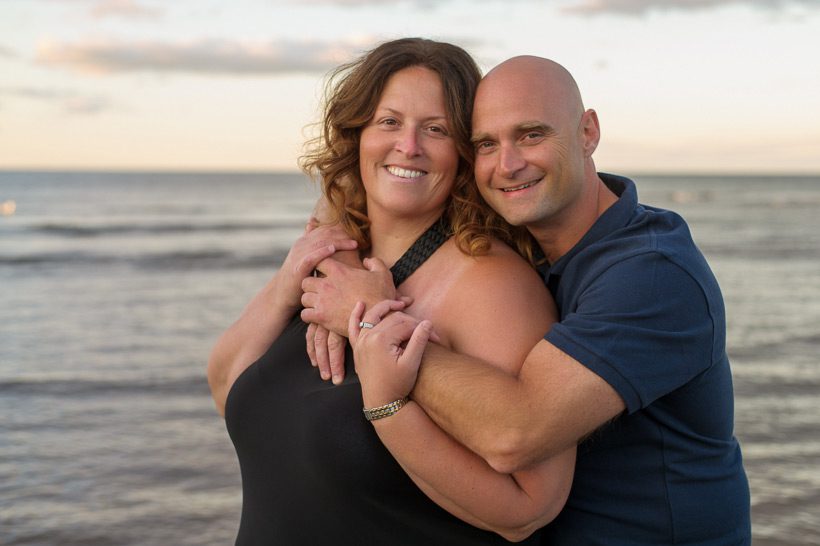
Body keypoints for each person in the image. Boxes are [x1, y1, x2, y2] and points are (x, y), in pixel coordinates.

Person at [301, 55, 752, 545]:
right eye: (487, 144)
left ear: (588, 132)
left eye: (532, 135)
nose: (508, 164)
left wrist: (366, 321)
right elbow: (360, 194)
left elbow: (514, 435)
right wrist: (340, 261)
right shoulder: (528, 239)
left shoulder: (651, 274)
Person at [206, 39, 576, 545]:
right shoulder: (331, 257)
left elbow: (530, 508)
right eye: (389, 122)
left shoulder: (491, 282)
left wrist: (371, 329)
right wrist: (292, 276)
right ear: (356, 133)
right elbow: (228, 387)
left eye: (437, 129)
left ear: (466, 151)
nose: (409, 146)